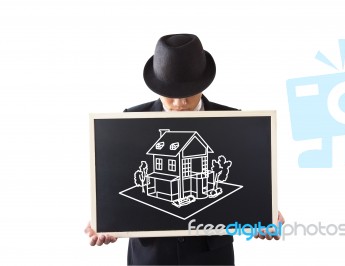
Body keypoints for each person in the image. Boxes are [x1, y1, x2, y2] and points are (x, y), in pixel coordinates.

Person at [85, 33, 285, 265]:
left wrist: (263, 214)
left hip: (211, 256)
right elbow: (117, 184)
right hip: (151, 256)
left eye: (188, 92)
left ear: (202, 83)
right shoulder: (130, 120)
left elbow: (246, 184)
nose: (180, 103)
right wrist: (107, 222)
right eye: (170, 93)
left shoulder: (233, 122)